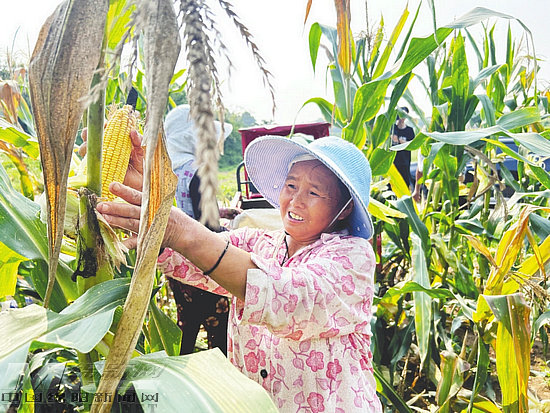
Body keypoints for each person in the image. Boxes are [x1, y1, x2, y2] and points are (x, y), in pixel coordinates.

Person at [97, 135, 382, 412]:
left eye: (314, 192)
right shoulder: (261, 243)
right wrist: (144, 193)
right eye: (291, 185)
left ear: (344, 209)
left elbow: (290, 297)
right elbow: (192, 259)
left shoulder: (353, 257)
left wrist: (181, 231)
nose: (296, 200)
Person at [164, 104, 238, 355]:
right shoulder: (198, 172)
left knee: (187, 323)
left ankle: (181, 367)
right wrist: (229, 230)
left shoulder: (166, 170)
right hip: (203, 261)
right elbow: (208, 226)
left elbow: (183, 211)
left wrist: (221, 212)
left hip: (176, 263)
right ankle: (218, 373)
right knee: (218, 328)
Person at [391, 106, 415, 189]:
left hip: (405, 162)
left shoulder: (409, 130)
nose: (402, 118)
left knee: (405, 183)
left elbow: (413, 145)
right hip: (393, 162)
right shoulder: (392, 129)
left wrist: (403, 143)